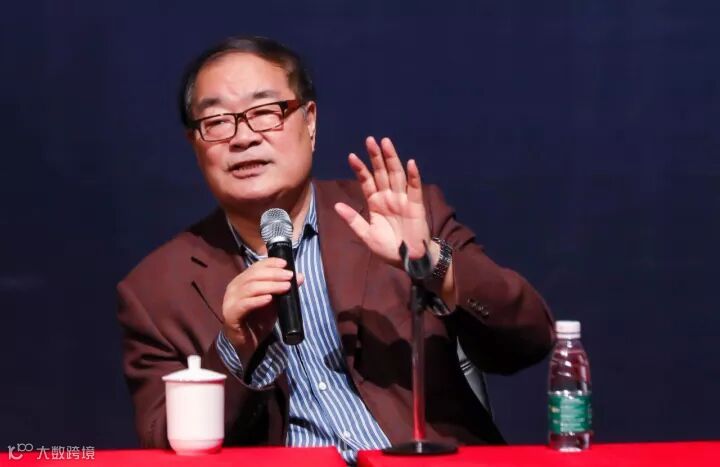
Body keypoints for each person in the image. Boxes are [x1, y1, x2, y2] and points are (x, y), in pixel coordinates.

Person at [117, 36, 554, 464]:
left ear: (309, 122)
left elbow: (530, 340)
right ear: (195, 144)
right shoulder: (155, 291)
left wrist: (431, 264)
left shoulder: (395, 214)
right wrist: (234, 349)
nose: (243, 137)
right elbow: (162, 443)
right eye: (216, 121)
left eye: (265, 113)